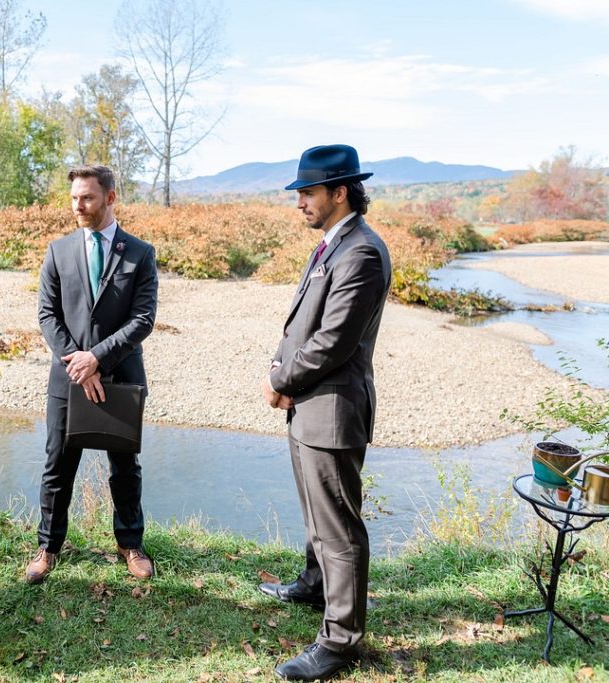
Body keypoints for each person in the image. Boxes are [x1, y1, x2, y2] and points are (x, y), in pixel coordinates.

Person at [259, 145, 391, 681]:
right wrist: (280, 362)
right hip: (311, 402)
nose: (300, 203)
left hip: (331, 406)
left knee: (338, 525)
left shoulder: (360, 251)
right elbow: (302, 324)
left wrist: (279, 381)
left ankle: (341, 642)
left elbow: (334, 340)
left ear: (340, 192)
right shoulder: (332, 246)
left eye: (308, 193)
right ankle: (315, 587)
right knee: (319, 511)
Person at [26, 165, 158, 584]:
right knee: (56, 466)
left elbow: (143, 319)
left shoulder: (140, 253)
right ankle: (48, 546)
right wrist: (78, 364)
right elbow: (47, 315)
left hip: (121, 375)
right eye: (73, 198)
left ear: (110, 198)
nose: (78, 206)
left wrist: (97, 360)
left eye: (87, 198)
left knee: (125, 467)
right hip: (67, 380)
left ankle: (131, 545)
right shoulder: (57, 251)